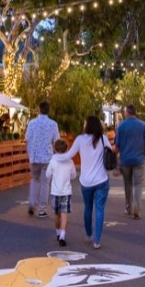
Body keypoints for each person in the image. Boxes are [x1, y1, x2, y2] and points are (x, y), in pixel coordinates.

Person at [51, 115, 112, 250]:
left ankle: (89, 234)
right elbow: (111, 153)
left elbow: (69, 155)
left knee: (88, 208)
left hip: (86, 181)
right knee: (100, 209)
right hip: (102, 179)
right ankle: (97, 240)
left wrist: (55, 157)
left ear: (87, 126)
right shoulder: (103, 139)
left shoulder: (80, 140)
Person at [114, 103, 145, 219]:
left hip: (125, 160)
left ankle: (128, 207)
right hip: (139, 159)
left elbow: (117, 146)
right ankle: (137, 207)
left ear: (127, 112)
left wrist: (117, 162)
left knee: (128, 184)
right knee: (138, 184)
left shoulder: (121, 126)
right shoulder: (143, 125)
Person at [25, 101, 61, 218]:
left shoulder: (32, 123)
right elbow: (57, 142)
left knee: (35, 180)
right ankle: (42, 210)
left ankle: (31, 204)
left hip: (34, 157)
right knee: (45, 183)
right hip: (47, 158)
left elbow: (27, 139)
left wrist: (29, 155)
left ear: (38, 110)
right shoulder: (53, 124)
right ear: (48, 110)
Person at [44, 138, 77, 247]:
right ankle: (63, 236)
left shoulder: (53, 161)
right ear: (67, 149)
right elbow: (73, 175)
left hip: (55, 192)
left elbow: (47, 175)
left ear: (55, 149)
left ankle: (58, 233)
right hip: (66, 191)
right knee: (64, 214)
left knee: (56, 215)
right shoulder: (70, 161)